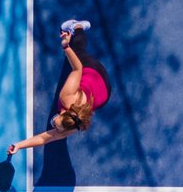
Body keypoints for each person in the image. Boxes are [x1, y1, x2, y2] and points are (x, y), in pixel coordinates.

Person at [7, 19, 109, 155]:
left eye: (55, 125)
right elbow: (77, 69)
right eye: (56, 124)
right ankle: (77, 26)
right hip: (94, 71)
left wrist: (18, 145)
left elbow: (45, 138)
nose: (53, 124)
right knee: (78, 51)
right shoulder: (66, 97)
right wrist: (66, 47)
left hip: (105, 92)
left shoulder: (74, 125)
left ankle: (77, 30)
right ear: (64, 112)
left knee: (74, 76)